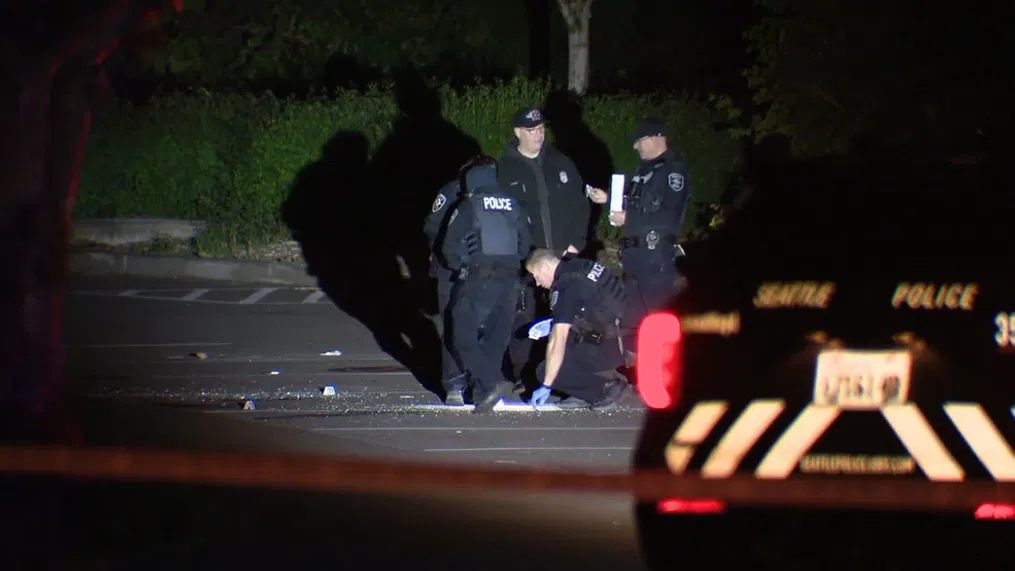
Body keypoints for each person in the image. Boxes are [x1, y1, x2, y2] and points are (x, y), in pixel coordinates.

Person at [497, 106, 591, 387]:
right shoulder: (505, 169)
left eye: (541, 129)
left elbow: (580, 205)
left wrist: (576, 243)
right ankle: (523, 374)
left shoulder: (561, 162)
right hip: (526, 259)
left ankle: (564, 374)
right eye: (531, 130)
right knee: (524, 317)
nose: (538, 135)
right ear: (518, 132)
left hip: (562, 256)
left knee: (565, 317)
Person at [587, 117, 691, 356]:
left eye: (639, 140)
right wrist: (608, 199)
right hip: (634, 255)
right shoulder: (644, 171)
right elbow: (637, 203)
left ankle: (676, 366)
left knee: (660, 315)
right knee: (631, 318)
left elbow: (668, 215)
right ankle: (638, 368)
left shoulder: (673, 171)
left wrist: (628, 218)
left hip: (655, 255)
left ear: (656, 137)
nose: (635, 146)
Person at [441, 156, 533, 413]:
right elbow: (525, 245)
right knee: (496, 339)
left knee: (462, 336)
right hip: (511, 282)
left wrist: (461, 263)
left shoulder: (469, 205)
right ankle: (484, 395)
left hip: (479, 279)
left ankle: (489, 383)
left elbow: (449, 248)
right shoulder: (514, 205)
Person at [524, 249, 631, 411]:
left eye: (536, 276)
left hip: (615, 344)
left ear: (545, 267)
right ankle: (583, 393)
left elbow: (558, 339)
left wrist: (546, 384)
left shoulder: (565, 287)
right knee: (570, 339)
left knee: (545, 368)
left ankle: (607, 387)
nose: (538, 283)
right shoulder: (581, 265)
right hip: (628, 333)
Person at [422, 163, 476, 403]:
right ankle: (454, 382)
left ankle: (478, 381)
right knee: (453, 324)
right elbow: (432, 225)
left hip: (482, 269)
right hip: (450, 269)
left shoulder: (494, 195)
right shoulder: (452, 191)